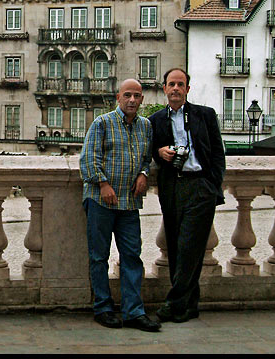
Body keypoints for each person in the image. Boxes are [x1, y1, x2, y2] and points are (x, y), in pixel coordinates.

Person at [79, 79, 161, 332]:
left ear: (142, 99)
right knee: (99, 257)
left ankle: (134, 312)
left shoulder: (145, 126)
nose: (132, 100)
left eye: (137, 96)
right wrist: (103, 184)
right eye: (128, 95)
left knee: (132, 257)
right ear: (118, 97)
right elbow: (88, 159)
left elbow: (147, 158)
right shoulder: (101, 123)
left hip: (129, 203)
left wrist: (144, 174)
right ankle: (103, 308)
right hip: (100, 202)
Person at [148, 68, 226, 323]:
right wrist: (160, 152)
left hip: (199, 187)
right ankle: (190, 306)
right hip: (172, 188)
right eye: (171, 84)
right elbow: (149, 150)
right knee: (174, 246)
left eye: (180, 84)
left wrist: (212, 185)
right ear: (164, 89)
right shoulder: (156, 120)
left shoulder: (205, 115)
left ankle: (172, 304)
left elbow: (217, 153)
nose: (176, 89)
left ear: (187, 90)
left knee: (189, 247)